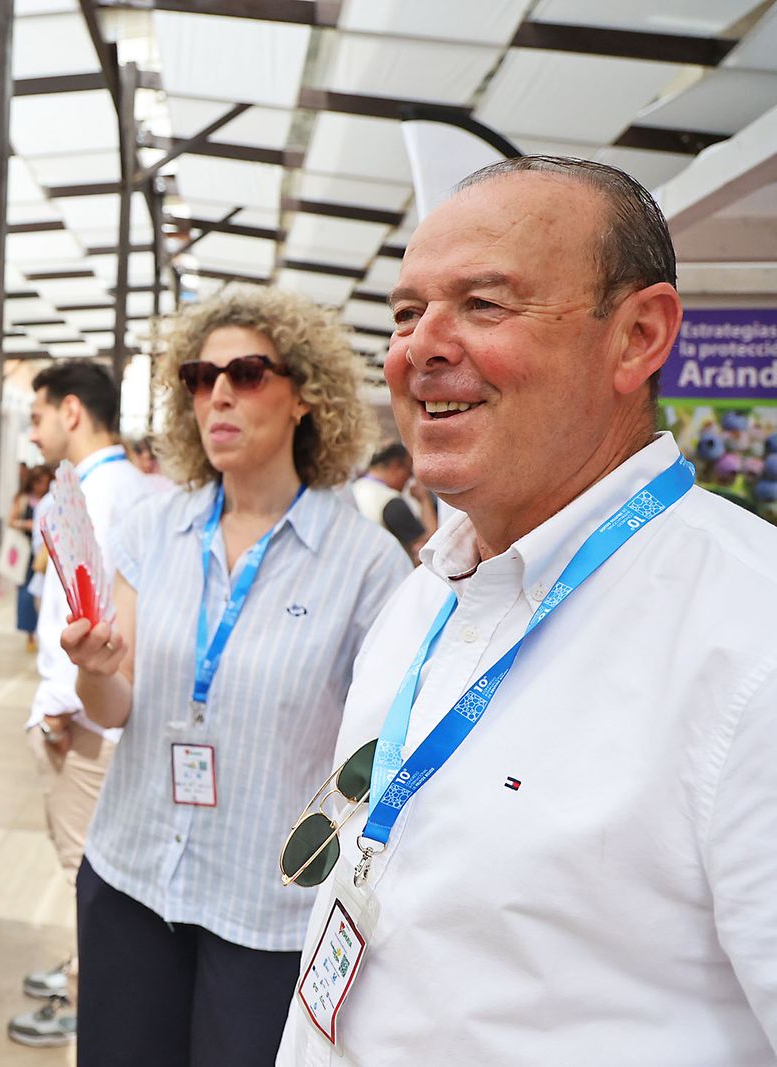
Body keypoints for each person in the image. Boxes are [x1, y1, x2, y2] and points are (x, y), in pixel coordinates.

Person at [275, 158, 777, 1066]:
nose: (419, 346)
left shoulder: (750, 643)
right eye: (405, 313)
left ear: (637, 336)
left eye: (484, 304)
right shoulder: (431, 586)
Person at [59, 285, 412, 1065]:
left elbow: (376, 760)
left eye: (247, 373)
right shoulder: (153, 527)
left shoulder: (366, 566)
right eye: (198, 376)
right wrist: (94, 671)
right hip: (132, 876)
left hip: (268, 911)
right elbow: (116, 706)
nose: (217, 392)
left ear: (303, 398)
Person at [7, 361, 162, 1049]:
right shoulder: (127, 485)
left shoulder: (93, 495)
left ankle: (80, 997)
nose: (34, 431)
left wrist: (64, 706)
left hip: (87, 718)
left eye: (37, 416)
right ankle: (78, 973)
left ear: (72, 411)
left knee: (83, 871)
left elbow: (96, 618)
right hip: (96, 711)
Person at [351, 442, 437, 563]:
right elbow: (429, 549)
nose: (409, 480)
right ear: (396, 467)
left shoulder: (354, 490)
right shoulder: (389, 500)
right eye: (409, 473)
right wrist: (424, 500)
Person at [9, 466, 52, 651]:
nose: (39, 485)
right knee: (26, 594)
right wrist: (28, 524)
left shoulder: (51, 499)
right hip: (26, 553)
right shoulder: (24, 499)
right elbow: (11, 520)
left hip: (43, 553)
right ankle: (29, 633)